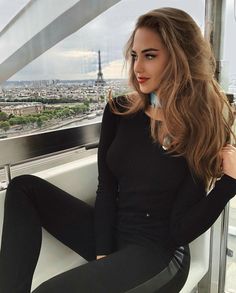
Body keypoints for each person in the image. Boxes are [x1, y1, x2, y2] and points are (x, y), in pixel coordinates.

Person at [1, 7, 236, 293]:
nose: (137, 67)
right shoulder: (118, 110)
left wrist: (229, 185)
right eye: (134, 55)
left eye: (150, 56)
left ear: (179, 58)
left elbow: (179, 230)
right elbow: (106, 189)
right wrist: (103, 253)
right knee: (23, 188)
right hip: (115, 234)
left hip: (159, 252)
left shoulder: (199, 127)